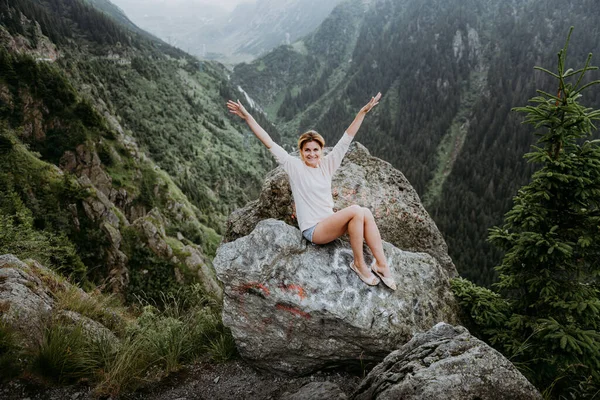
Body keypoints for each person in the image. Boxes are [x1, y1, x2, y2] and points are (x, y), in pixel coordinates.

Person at [226, 94, 396, 290]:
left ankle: (381, 264)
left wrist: (361, 113)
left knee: (363, 213)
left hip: (330, 223)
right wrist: (248, 117)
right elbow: (268, 141)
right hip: (313, 230)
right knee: (357, 210)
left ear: (321, 150)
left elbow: (346, 139)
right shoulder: (294, 167)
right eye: (307, 150)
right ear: (301, 152)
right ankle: (359, 264)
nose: (312, 154)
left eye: (316, 150)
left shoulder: (327, 165)